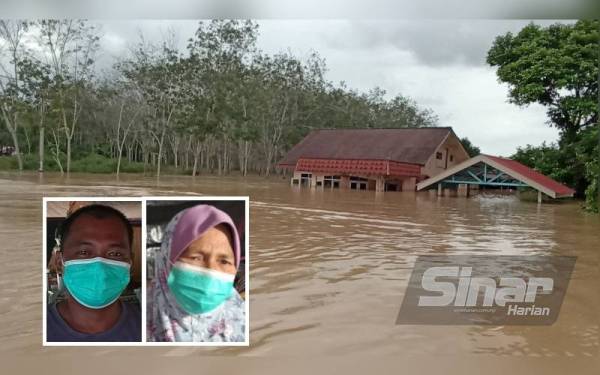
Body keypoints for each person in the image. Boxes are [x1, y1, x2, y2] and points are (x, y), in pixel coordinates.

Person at [147, 204, 245, 342]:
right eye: (196, 258)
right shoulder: (139, 318)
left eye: (224, 261)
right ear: (167, 258)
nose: (211, 272)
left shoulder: (243, 317)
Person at [46, 204, 141, 342]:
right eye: (83, 252)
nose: (100, 267)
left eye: (115, 253)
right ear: (60, 262)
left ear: (130, 263)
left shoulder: (149, 328)